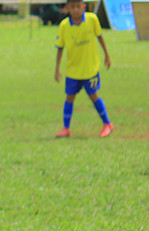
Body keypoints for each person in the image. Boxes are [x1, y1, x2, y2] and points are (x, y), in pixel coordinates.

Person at [54, 0, 112, 138]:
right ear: (67, 8)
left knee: (93, 96)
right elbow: (60, 48)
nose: (75, 9)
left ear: (83, 7)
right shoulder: (64, 26)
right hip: (73, 70)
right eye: (72, 7)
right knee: (69, 97)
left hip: (90, 69)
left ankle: (107, 124)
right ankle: (66, 128)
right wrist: (57, 69)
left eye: (78, 6)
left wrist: (107, 56)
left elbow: (100, 37)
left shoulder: (92, 19)